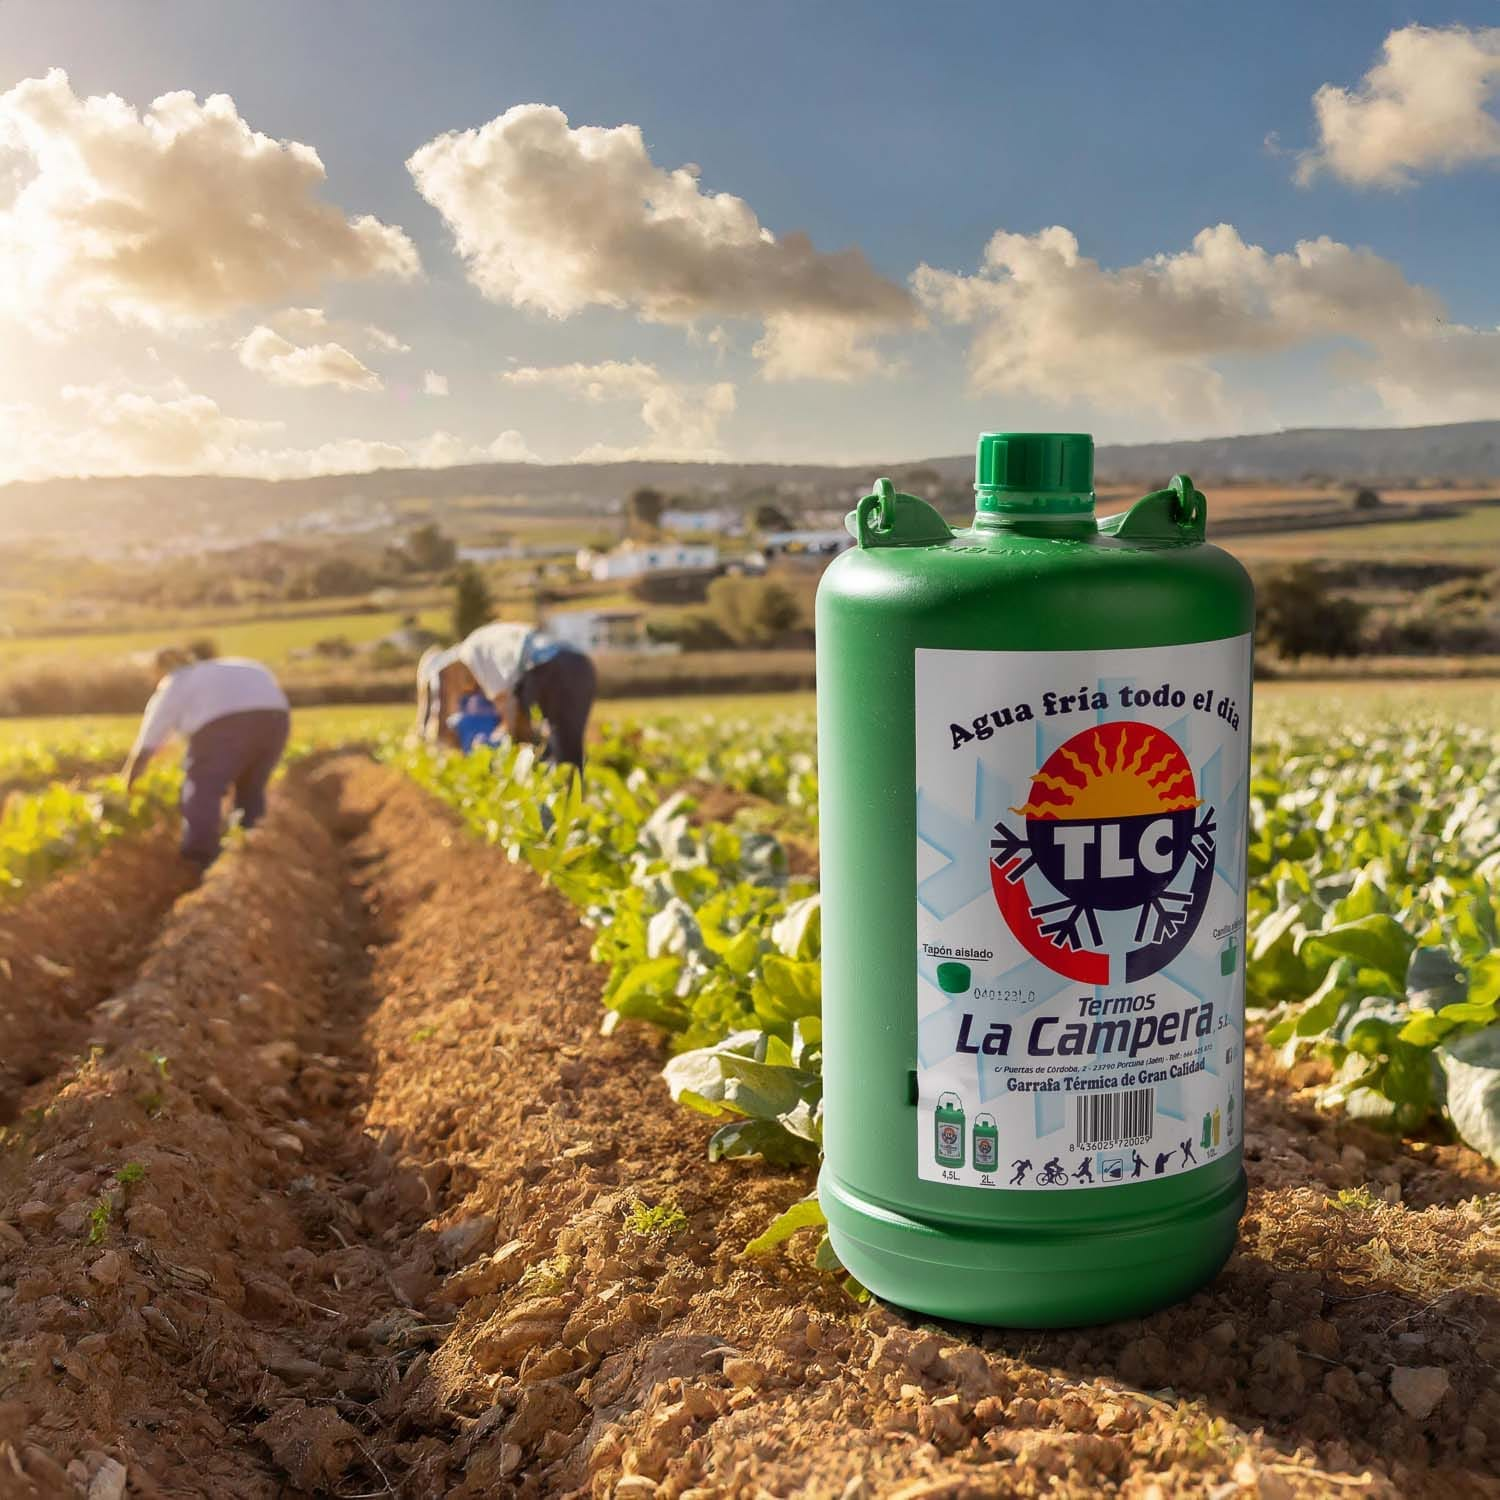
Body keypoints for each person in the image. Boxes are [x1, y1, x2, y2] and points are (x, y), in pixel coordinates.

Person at [123, 648, 291, 868]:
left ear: (161, 670)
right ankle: (252, 847)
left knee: (202, 788)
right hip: (276, 720)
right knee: (251, 788)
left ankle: (199, 857)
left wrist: (128, 780)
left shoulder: (175, 682)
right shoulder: (237, 664)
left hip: (224, 725)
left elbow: (149, 739)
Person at [455, 621, 596, 770]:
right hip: (581, 664)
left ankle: (543, 776)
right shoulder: (498, 638)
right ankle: (570, 785)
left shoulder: (470, 651)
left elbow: (505, 701)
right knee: (569, 743)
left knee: (532, 735)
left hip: (546, 665)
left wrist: (504, 742)